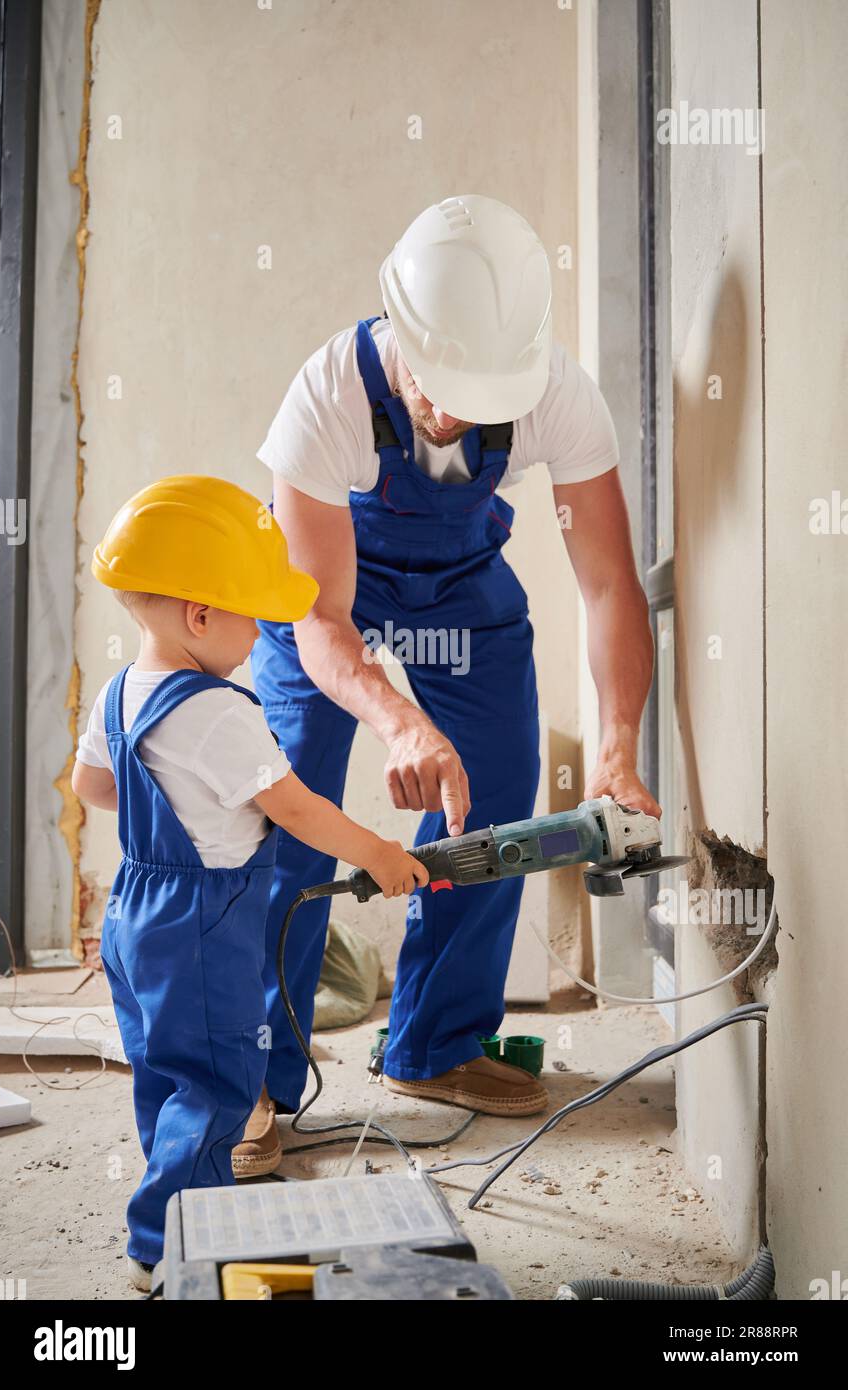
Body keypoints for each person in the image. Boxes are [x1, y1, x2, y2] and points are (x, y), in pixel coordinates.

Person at [244, 195, 658, 1169]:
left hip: (462, 585)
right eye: (438, 385)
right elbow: (321, 620)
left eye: (481, 391)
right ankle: (254, 1079)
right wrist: (396, 721)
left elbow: (607, 585)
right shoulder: (326, 397)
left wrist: (618, 749)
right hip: (327, 590)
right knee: (288, 800)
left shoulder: (557, 391)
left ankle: (433, 1043)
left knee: (499, 792)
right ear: (399, 329)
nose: (455, 411)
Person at [72, 474, 428, 1290]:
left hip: (135, 911)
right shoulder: (222, 712)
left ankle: (189, 1214)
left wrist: (179, 795)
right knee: (222, 1079)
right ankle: (167, 1247)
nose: (263, 634)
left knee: (165, 1072)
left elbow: (94, 789)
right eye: (254, 616)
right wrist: (376, 850)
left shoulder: (122, 692)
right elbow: (297, 809)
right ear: (201, 614)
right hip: (202, 922)